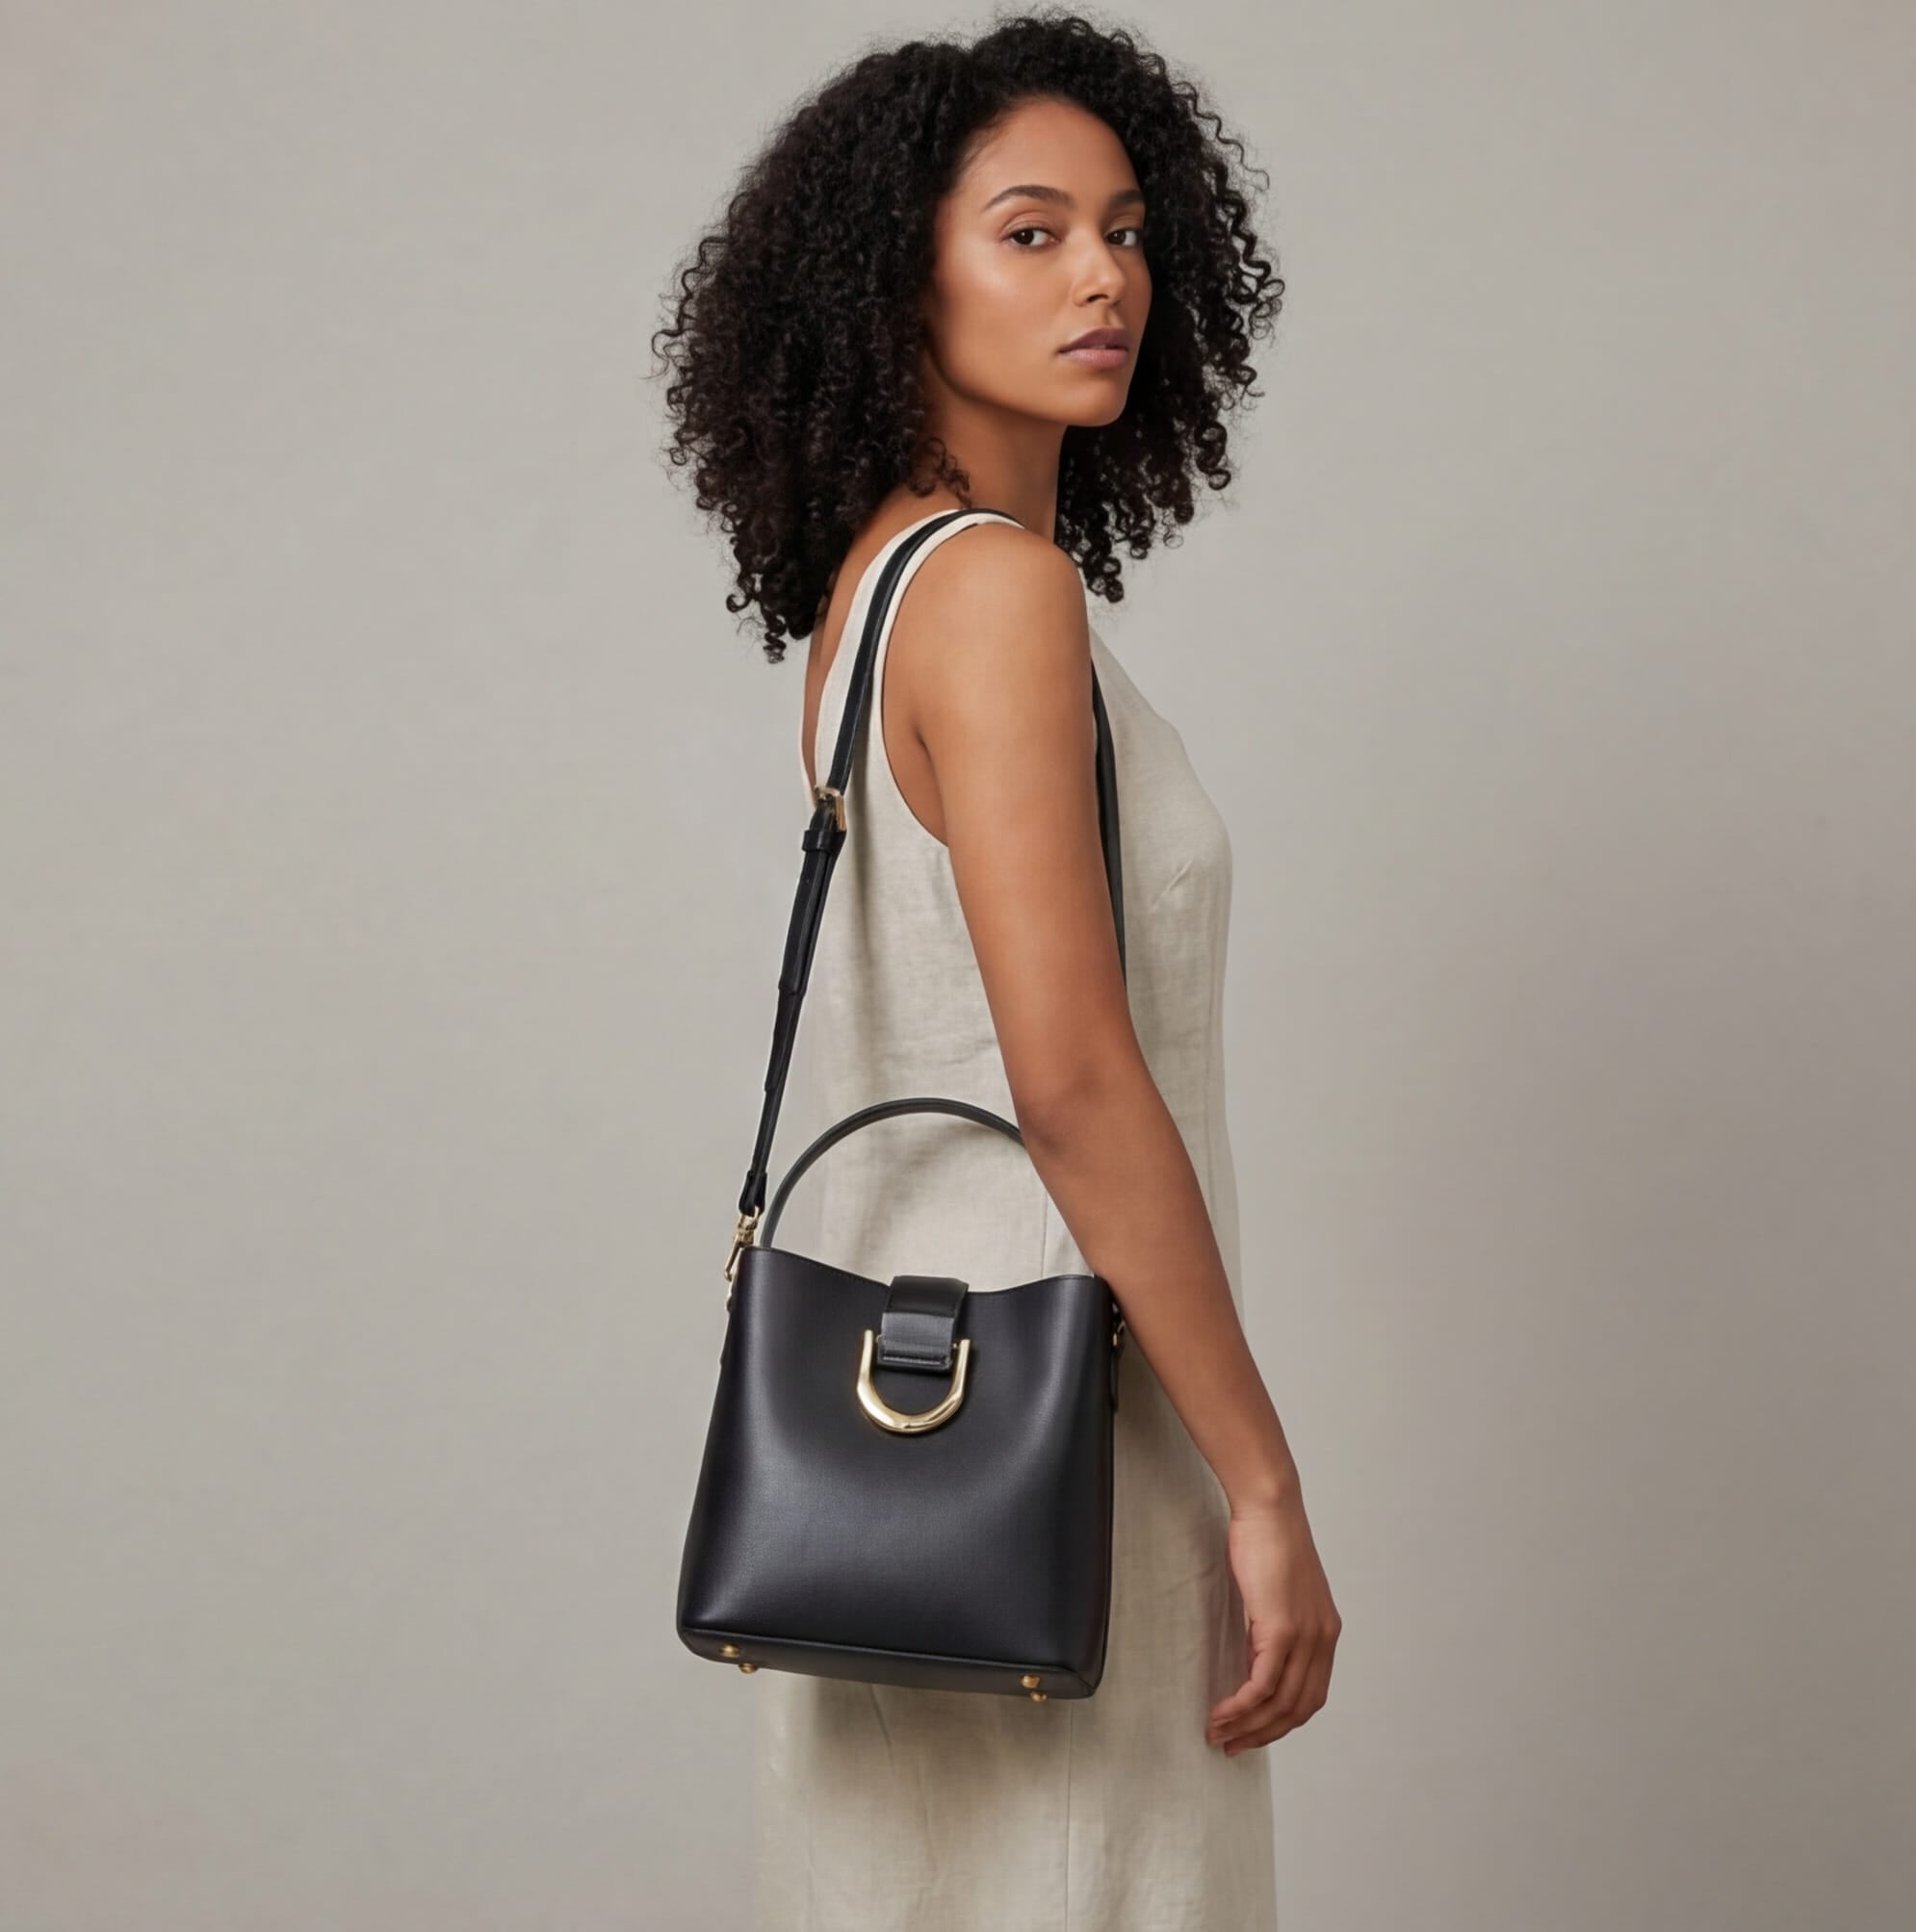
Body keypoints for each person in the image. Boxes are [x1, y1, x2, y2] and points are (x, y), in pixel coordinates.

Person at [653, 12, 1340, 1927]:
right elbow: (1071, 1078)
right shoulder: (998, 594)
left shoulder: (875, 595)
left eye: (1122, 229)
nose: (1103, 273)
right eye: (1028, 231)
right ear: (897, 275)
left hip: (894, 1456)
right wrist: (1259, 1480)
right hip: (1057, 1449)